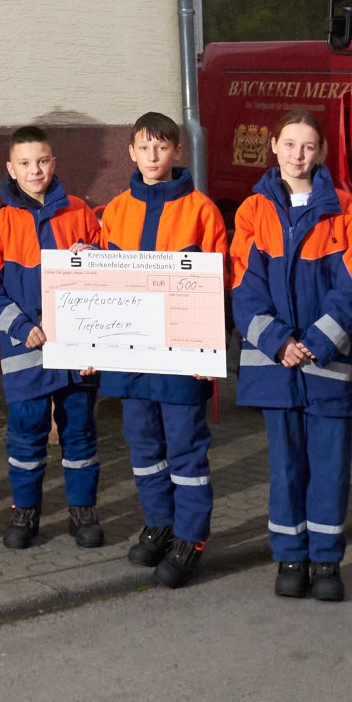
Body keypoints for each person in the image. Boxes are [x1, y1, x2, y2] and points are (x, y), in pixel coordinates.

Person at [230, 109, 352, 602]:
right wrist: (279, 343)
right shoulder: (252, 211)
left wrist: (314, 342)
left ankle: (327, 562)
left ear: (322, 153)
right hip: (275, 366)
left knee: (329, 466)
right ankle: (290, 556)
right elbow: (243, 290)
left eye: (308, 146)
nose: (297, 155)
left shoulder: (345, 211)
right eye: (289, 144)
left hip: (326, 366)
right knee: (286, 467)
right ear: (273, 147)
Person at [98, 111, 229, 589]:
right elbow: (103, 287)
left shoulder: (202, 210)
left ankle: (191, 536)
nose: (153, 156)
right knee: (143, 446)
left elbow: (221, 285)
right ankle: (159, 522)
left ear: (177, 151)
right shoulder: (114, 211)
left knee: (186, 448)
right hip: (132, 355)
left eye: (162, 147)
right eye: (144, 147)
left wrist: (210, 353)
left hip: (180, 356)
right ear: (131, 152)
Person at [0, 126, 106, 549]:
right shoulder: (0, 222)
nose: (35, 170)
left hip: (77, 348)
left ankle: (82, 512)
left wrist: (97, 258)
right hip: (25, 347)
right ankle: (25, 513)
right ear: (11, 168)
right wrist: (21, 327)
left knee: (79, 430)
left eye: (42, 161)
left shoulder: (80, 213)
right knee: (26, 432)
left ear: (54, 162)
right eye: (25, 163)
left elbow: (109, 278)